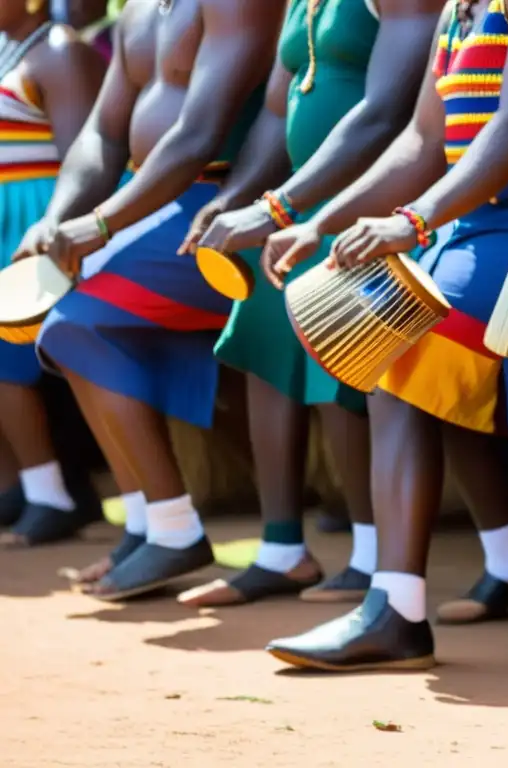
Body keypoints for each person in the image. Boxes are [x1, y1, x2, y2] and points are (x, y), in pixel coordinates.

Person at [259, 0, 508, 672]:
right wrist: (319, 222)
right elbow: (423, 141)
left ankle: (398, 608)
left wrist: (413, 222)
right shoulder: (458, 9)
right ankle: (502, 557)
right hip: (475, 224)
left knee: (400, 341)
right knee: (383, 335)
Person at [173, 0, 447, 608]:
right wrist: (240, 197)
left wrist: (281, 208)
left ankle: (372, 554)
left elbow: (384, 115)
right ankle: (280, 550)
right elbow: (278, 109)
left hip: (370, 205)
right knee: (266, 347)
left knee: (340, 362)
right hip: (299, 205)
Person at [14, 0, 285, 599]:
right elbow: (102, 133)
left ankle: (172, 527)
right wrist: (60, 218)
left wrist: (103, 224)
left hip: (224, 211)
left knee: (74, 319)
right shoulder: (138, 9)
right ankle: (144, 526)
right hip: (153, 209)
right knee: (67, 325)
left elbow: (198, 133)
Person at [0, 0, 108, 547]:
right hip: (4, 215)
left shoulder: (61, 51)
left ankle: (54, 494)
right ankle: (26, 483)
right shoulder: (8, 51)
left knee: (11, 360)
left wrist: (54, 224)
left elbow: (82, 157)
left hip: (38, 215)